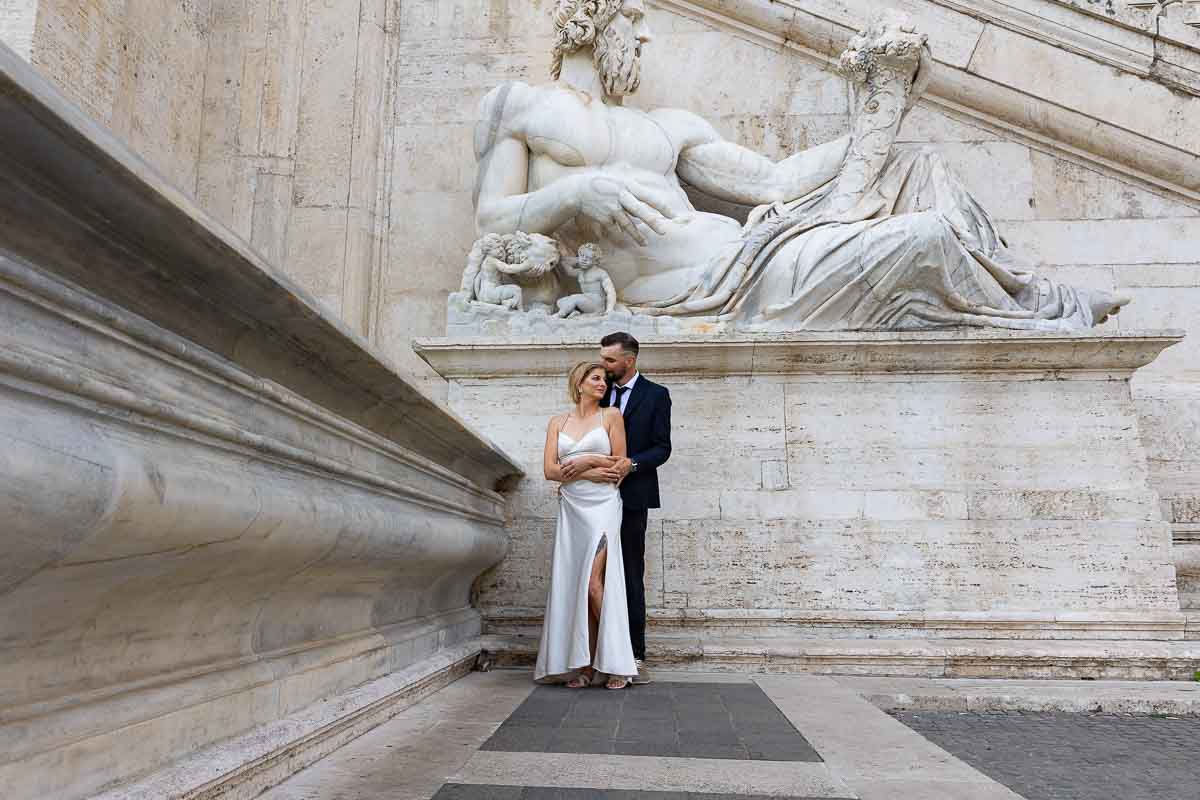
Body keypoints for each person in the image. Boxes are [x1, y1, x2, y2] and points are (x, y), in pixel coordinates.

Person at [473, 0, 1128, 331]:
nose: (645, 37)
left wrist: (884, 107)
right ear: (595, 18)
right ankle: (1044, 315)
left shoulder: (665, 128)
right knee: (923, 238)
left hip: (749, 256)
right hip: (695, 291)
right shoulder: (523, 107)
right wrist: (574, 195)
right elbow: (491, 215)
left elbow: (774, 182)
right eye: (635, 21)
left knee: (915, 163)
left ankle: (1034, 298)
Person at [534, 361, 637, 689]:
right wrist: (588, 469)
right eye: (595, 378)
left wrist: (586, 461)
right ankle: (587, 666)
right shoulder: (557, 422)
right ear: (579, 383)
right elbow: (550, 471)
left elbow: (620, 463)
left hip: (603, 506)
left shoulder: (611, 417)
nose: (603, 384)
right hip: (572, 509)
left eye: (605, 380)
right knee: (576, 584)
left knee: (594, 583)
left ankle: (619, 662)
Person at [597, 332, 671, 684]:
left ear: (630, 360)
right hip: (594, 497)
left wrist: (633, 464)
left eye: (610, 360)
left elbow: (662, 448)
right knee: (593, 573)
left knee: (629, 574)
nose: (604, 365)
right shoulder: (597, 392)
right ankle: (595, 652)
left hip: (634, 496)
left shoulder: (656, 395)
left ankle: (635, 653)